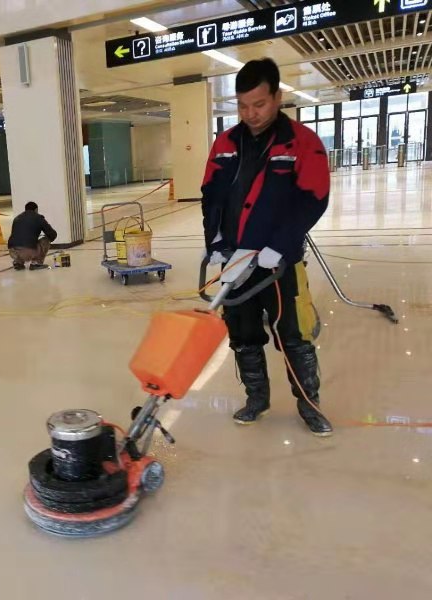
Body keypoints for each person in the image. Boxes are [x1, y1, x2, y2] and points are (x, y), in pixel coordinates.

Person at [200, 58, 333, 437]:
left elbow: (314, 199)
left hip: (279, 264)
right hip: (234, 261)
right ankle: (257, 399)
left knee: (294, 336)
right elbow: (211, 195)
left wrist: (280, 245)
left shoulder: (301, 142)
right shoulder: (225, 143)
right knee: (242, 336)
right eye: (242, 105)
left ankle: (309, 406)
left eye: (258, 104)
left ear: (277, 96)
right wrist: (215, 241)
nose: (250, 113)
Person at [7, 202, 58, 270]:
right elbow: (52, 234)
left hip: (12, 251)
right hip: (27, 252)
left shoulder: (17, 218)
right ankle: (36, 263)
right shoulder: (38, 218)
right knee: (45, 240)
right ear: (36, 210)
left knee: (21, 241)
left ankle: (18, 262)